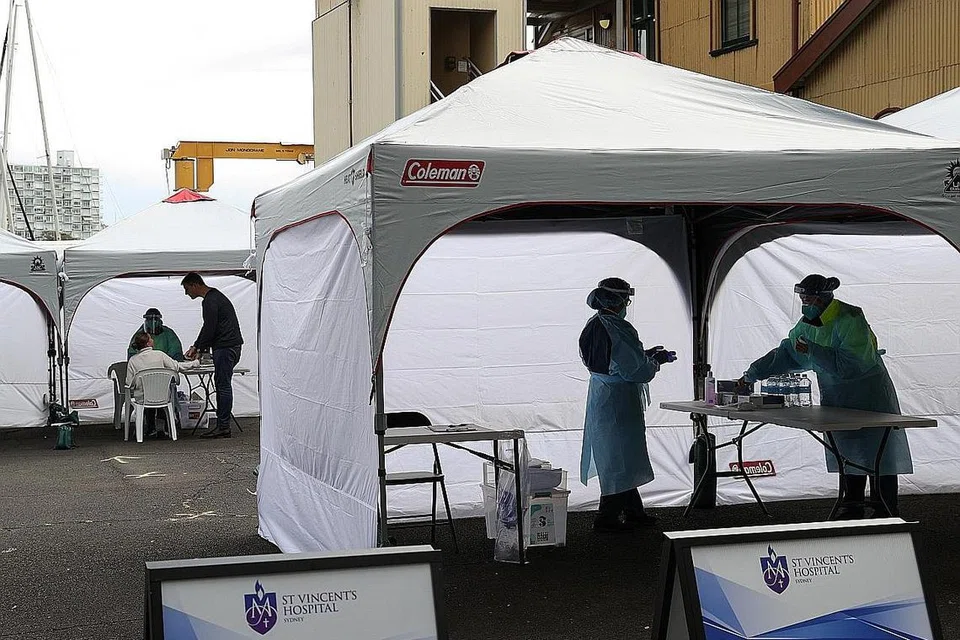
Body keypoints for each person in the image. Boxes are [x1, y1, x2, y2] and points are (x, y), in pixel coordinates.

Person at [739, 274, 911, 519]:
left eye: (808, 298)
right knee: (848, 453)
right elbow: (786, 354)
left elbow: (852, 365)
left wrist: (813, 351)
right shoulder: (808, 324)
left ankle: (885, 510)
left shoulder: (849, 319)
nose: (804, 303)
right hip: (838, 398)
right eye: (802, 298)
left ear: (822, 298)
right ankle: (851, 507)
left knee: (878, 454)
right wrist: (752, 375)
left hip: (869, 395)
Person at [579, 277, 676, 532]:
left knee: (617, 458)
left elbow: (615, 361)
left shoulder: (594, 324)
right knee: (620, 459)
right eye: (626, 300)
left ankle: (634, 510)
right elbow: (636, 371)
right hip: (618, 402)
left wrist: (646, 356)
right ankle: (607, 517)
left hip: (602, 395)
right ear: (619, 300)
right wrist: (655, 361)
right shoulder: (619, 328)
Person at [181, 272, 243, 438]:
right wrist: (197, 345)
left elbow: (210, 327)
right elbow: (207, 327)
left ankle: (223, 426)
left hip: (225, 346)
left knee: (223, 385)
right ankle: (223, 424)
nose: (187, 293)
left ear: (194, 285)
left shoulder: (210, 300)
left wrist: (199, 350)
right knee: (222, 383)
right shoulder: (214, 298)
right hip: (231, 346)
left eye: (187, 289)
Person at [126, 331, 198, 438]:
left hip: (143, 397)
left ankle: (150, 429)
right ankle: (167, 429)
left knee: (146, 400)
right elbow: (177, 366)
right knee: (161, 399)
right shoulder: (160, 355)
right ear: (148, 343)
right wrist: (195, 363)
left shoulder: (133, 360)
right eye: (151, 338)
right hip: (162, 397)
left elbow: (129, 383)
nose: (153, 340)